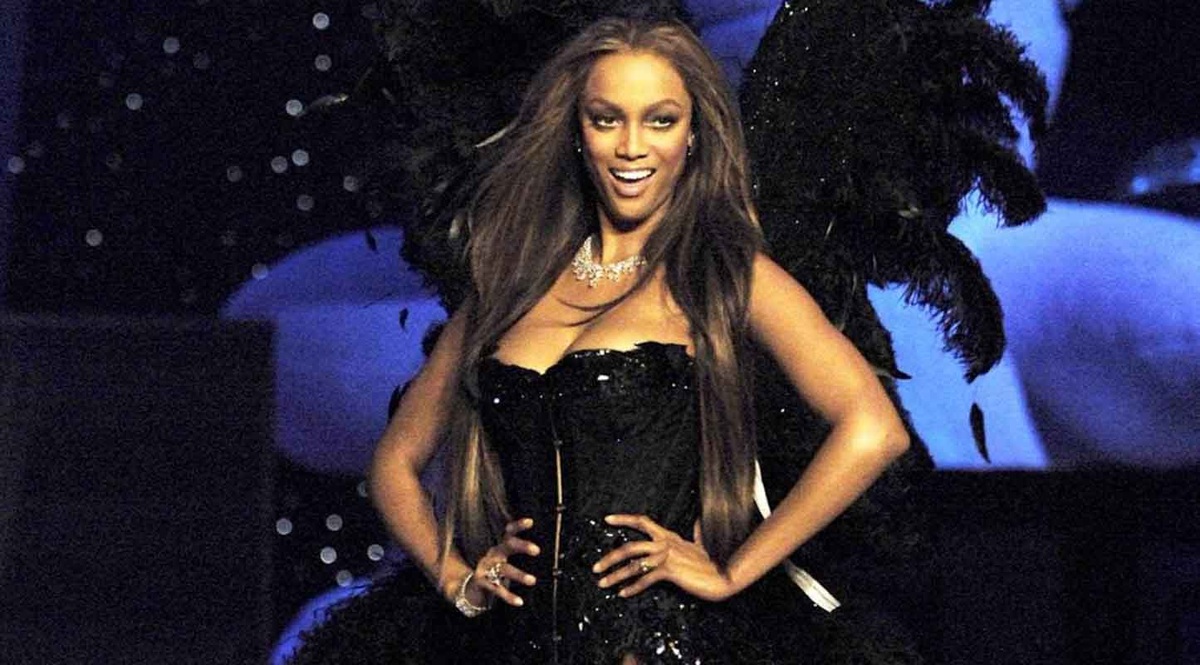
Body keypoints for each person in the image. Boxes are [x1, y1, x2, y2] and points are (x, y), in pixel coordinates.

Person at [288, 17, 916, 664]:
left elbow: (872, 428)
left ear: (694, 133)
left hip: (662, 644)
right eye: (607, 119)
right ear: (577, 132)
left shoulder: (724, 273)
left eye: (661, 120)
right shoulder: (510, 282)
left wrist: (734, 570)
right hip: (510, 645)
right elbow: (395, 461)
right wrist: (458, 580)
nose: (632, 147)